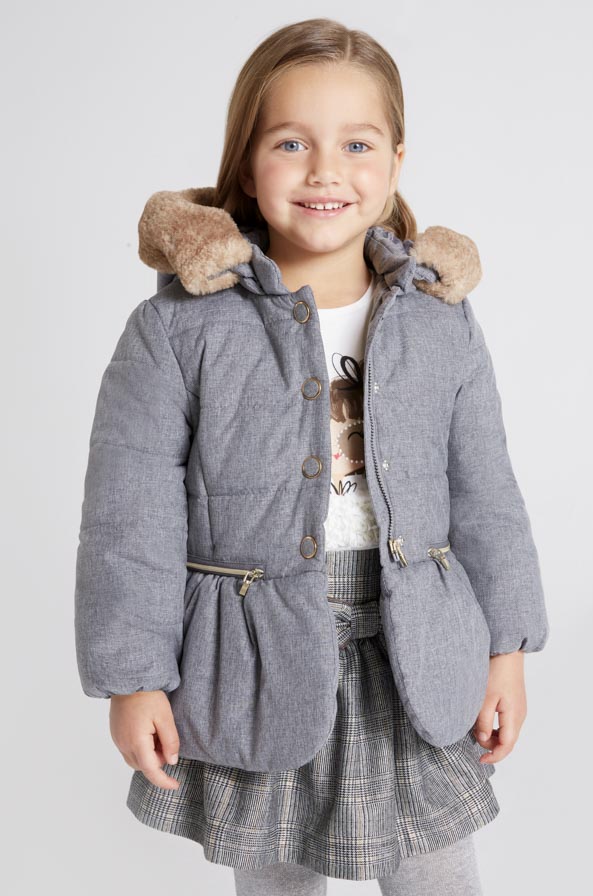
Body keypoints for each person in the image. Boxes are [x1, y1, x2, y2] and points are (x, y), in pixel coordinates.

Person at [74, 17, 550, 895]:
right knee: (278, 880)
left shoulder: (439, 320)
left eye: (356, 144)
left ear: (396, 161)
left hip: (416, 650)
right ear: (248, 163)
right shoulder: (179, 328)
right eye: (291, 143)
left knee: (439, 876)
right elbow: (128, 515)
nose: (325, 171)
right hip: (250, 656)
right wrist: (132, 678)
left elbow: (487, 493)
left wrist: (507, 651)